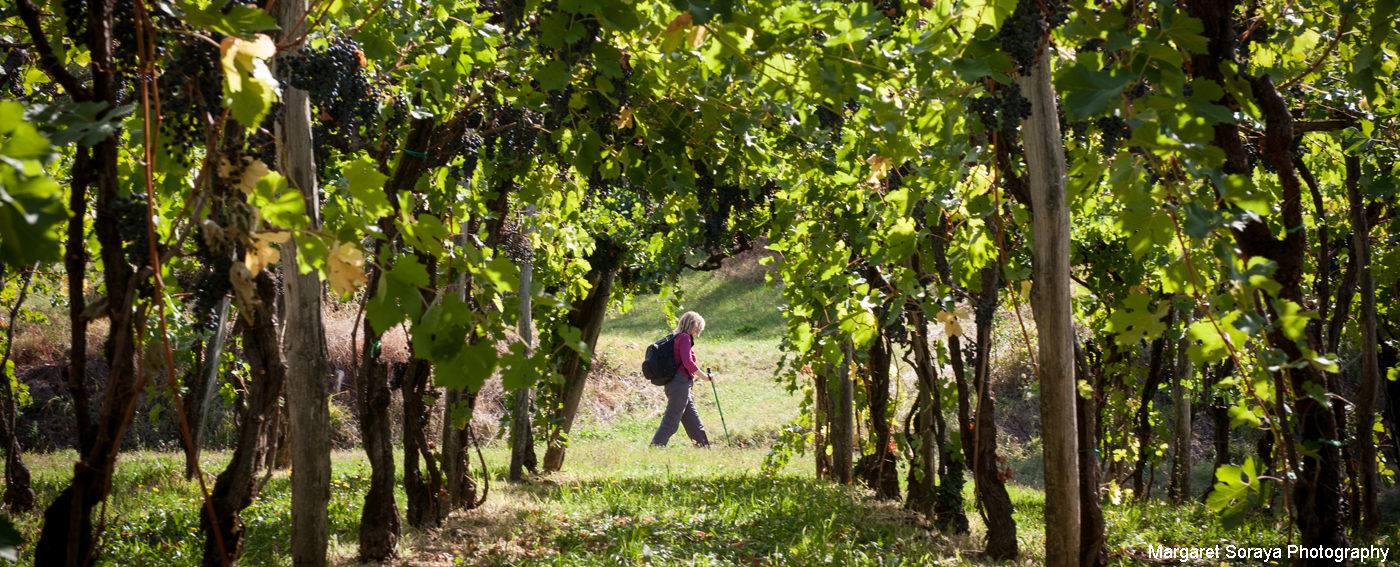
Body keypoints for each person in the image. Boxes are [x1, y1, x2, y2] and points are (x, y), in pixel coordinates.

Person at [650, 311, 711, 447]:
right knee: (671, 422)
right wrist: (706, 377)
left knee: (693, 420)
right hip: (680, 384)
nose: (698, 333)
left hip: (677, 384)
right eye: (698, 330)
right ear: (694, 327)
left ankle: (704, 448)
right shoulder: (684, 338)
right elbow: (688, 363)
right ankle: (656, 447)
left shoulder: (675, 337)